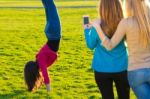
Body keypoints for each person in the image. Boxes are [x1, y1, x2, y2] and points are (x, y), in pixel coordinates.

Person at [93, 0, 150, 99]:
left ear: (128, 5)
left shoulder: (126, 23)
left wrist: (97, 27)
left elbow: (109, 46)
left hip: (136, 72)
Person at [83, 0, 129, 99]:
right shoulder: (125, 24)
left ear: (102, 8)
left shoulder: (97, 26)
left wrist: (86, 30)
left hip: (102, 69)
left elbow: (90, 45)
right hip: (122, 68)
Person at [24, 0, 61, 92]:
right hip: (50, 32)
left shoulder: (41, 61)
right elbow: (44, 73)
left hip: (53, 32)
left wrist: (49, 91)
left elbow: (45, 75)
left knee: (50, 4)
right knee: (48, 5)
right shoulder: (40, 60)